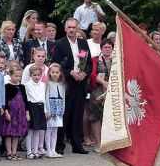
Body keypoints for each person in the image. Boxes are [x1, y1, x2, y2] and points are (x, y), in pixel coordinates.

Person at [51, 18, 92, 154]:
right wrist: (70, 72)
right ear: (65, 29)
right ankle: (59, 145)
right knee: (64, 113)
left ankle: (77, 144)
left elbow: (89, 64)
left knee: (78, 114)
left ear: (77, 28)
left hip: (80, 83)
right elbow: (56, 64)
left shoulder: (83, 43)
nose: (71, 30)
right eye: (69, 27)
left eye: (74, 27)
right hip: (66, 83)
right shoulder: (59, 44)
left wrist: (84, 73)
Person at [0, 65, 28, 160]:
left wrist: (27, 112)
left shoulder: (22, 87)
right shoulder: (7, 87)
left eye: (19, 76)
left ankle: (14, 152)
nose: (18, 78)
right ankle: (9, 153)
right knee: (9, 133)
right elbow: (5, 100)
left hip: (20, 112)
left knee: (16, 133)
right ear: (10, 75)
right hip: (11, 112)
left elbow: (25, 100)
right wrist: (6, 112)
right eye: (16, 76)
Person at [88, 38, 113, 152]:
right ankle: (97, 143)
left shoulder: (116, 60)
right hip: (97, 90)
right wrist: (103, 83)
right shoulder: (95, 59)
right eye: (105, 47)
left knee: (110, 117)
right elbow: (92, 74)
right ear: (101, 48)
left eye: (109, 47)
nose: (107, 49)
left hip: (112, 90)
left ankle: (108, 143)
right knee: (96, 117)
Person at [24, 64, 47, 159]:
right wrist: (27, 112)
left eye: (38, 75)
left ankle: (35, 150)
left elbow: (44, 98)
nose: (37, 77)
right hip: (32, 107)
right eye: (34, 75)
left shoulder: (43, 85)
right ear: (31, 75)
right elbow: (27, 99)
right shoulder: (27, 85)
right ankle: (29, 151)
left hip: (40, 107)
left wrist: (45, 111)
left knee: (37, 130)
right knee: (30, 131)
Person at [45, 63, 65, 158]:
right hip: (51, 109)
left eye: (57, 72)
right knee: (49, 130)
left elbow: (63, 99)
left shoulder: (61, 85)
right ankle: (48, 150)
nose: (55, 74)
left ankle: (53, 150)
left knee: (55, 131)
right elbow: (46, 98)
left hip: (58, 110)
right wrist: (47, 111)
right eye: (53, 72)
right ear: (49, 73)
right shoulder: (48, 84)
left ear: (60, 73)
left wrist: (62, 110)